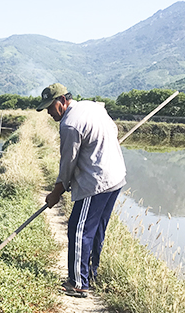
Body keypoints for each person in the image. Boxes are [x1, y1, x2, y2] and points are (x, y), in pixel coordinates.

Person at [37, 83, 126, 298]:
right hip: (116, 178)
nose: (49, 113)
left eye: (50, 107)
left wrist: (56, 193)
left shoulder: (70, 124)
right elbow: (112, 131)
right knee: (95, 230)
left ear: (62, 101)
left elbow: (67, 163)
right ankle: (90, 275)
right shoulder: (92, 106)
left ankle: (78, 283)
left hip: (96, 183)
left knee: (79, 230)